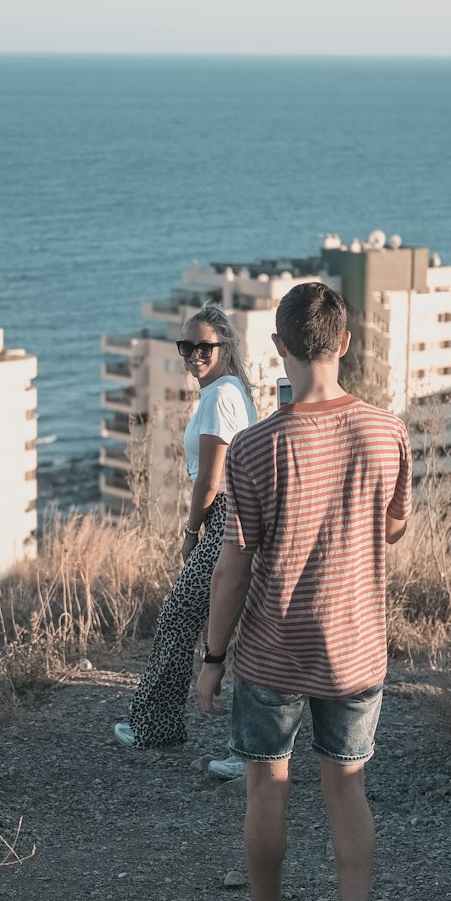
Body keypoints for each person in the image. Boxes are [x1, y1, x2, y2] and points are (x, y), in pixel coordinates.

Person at [196, 281, 411, 901]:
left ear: (279, 348)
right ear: (345, 342)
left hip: (272, 649)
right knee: (347, 788)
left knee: (268, 785)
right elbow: (393, 526)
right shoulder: (390, 431)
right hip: (355, 647)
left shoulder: (255, 447)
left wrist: (212, 658)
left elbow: (232, 567)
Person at [114, 303, 257, 751]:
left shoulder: (219, 397)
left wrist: (191, 530)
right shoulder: (228, 391)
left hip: (222, 520)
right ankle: (168, 727)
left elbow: (211, 481)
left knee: (178, 618)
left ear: (225, 347)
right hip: (234, 518)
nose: (194, 354)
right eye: (186, 345)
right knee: (216, 621)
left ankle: (154, 728)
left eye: (203, 346)